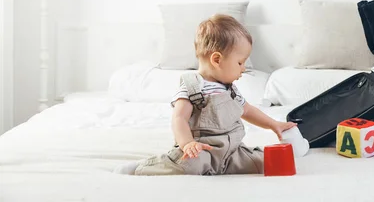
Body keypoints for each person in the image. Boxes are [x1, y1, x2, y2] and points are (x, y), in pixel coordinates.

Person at [115, 14, 296, 175]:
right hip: (202, 151)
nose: (244, 69)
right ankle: (143, 167)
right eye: (240, 62)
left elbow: (248, 110)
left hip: (232, 152)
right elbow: (179, 119)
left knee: (265, 162)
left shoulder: (230, 90)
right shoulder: (192, 87)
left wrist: (274, 125)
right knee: (188, 165)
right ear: (217, 59)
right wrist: (187, 144)